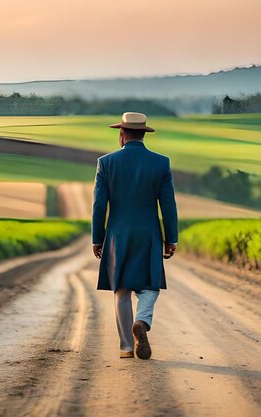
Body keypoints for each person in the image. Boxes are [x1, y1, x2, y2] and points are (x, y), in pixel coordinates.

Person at [92, 112, 178, 360]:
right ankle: (142, 320)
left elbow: (99, 206)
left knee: (121, 290)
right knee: (150, 286)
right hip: (149, 234)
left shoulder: (106, 163)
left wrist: (98, 239)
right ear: (143, 133)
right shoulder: (161, 163)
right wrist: (171, 238)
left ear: (121, 134)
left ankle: (126, 348)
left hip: (118, 236)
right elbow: (168, 205)